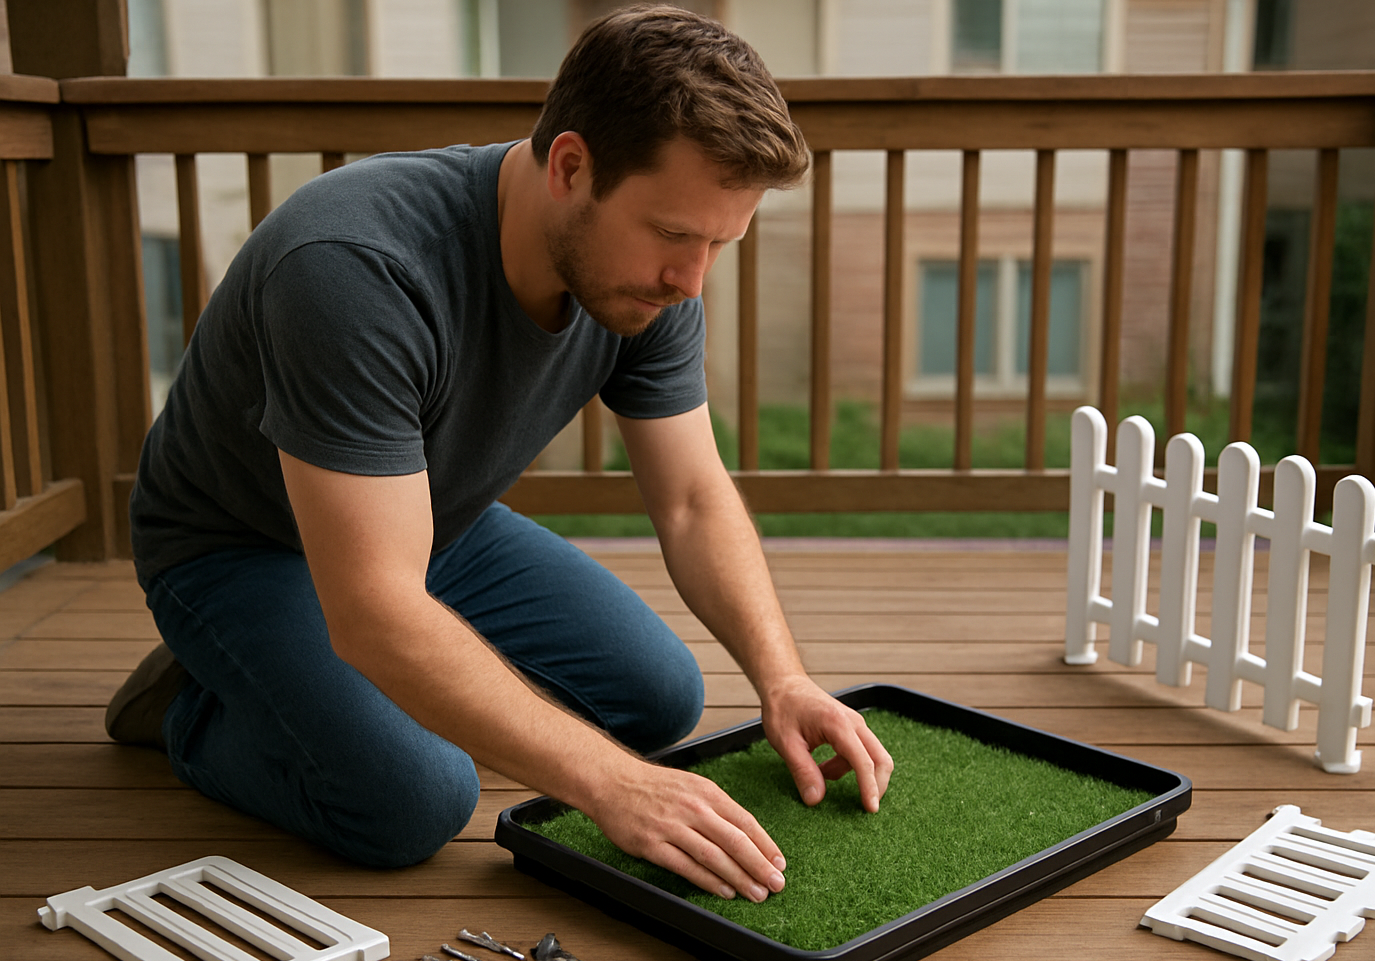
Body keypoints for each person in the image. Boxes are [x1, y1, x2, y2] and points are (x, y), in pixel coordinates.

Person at [106, 4, 892, 904]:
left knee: (660, 697)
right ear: (570, 165)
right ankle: (192, 705)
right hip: (236, 549)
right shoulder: (353, 267)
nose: (692, 279)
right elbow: (370, 610)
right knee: (412, 798)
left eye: (721, 243)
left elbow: (690, 499)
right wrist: (613, 785)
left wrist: (783, 680)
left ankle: (376, 681)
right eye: (677, 235)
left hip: (434, 521)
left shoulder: (656, 278)